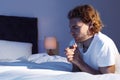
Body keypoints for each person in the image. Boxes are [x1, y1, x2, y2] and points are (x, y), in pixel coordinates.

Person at [65, 4, 120, 74]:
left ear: (90, 25)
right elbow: (76, 72)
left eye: (75, 27)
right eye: (70, 28)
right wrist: (74, 60)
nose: (71, 32)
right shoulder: (74, 42)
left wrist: (80, 62)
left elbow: (108, 78)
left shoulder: (103, 44)